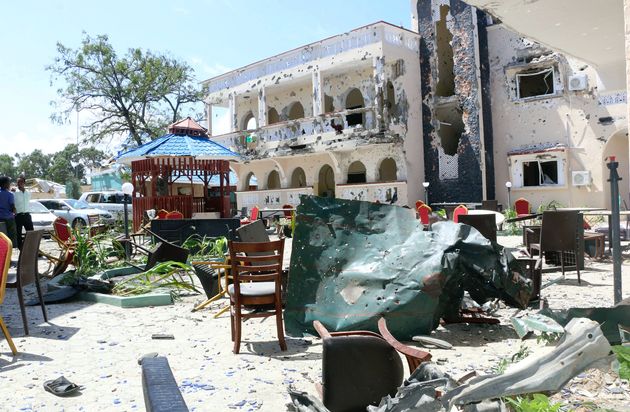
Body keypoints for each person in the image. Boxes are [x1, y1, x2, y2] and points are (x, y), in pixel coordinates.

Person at [14, 175, 33, 250]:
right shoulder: (14, 192)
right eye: (18, 182)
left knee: (31, 233)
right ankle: (21, 249)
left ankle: (32, 248)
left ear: (24, 183)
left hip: (27, 215)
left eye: (21, 182)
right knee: (18, 234)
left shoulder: (28, 192)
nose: (19, 183)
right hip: (18, 216)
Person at [0, 176, 17, 247]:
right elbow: (12, 207)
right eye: (8, 183)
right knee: (12, 236)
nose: (9, 184)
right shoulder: (10, 194)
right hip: (9, 218)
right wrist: (15, 212)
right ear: (5, 184)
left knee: (2, 236)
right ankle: (12, 250)